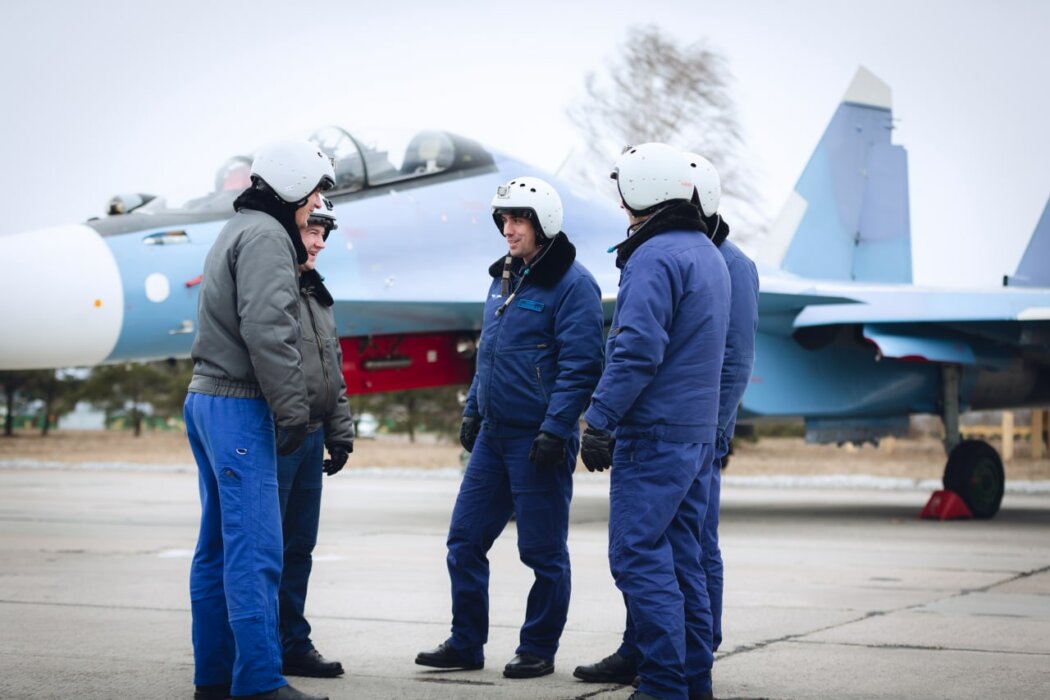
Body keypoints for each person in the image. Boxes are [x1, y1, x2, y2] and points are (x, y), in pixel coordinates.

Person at [574, 152, 759, 698]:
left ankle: (660, 685)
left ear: (641, 190)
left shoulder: (654, 256)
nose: (620, 202)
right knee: (685, 563)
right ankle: (693, 682)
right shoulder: (708, 253)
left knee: (636, 554)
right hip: (692, 436)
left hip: (653, 434)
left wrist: (600, 420)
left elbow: (635, 350)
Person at [415, 176, 604, 679]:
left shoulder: (573, 284)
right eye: (503, 220)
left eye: (517, 219)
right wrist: (474, 411)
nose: (508, 229)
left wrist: (556, 428)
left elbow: (582, 365)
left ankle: (538, 648)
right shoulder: (503, 278)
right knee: (464, 540)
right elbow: (489, 355)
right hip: (495, 437)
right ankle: (465, 642)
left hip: (539, 440)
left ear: (543, 223)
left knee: (542, 552)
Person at [184, 139, 334, 700]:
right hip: (239, 403)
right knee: (256, 550)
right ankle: (259, 683)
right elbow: (269, 332)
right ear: (293, 184)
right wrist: (293, 413)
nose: (317, 200)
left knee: (218, 549)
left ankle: (215, 679)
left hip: (205, 399)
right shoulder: (270, 236)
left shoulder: (238, 228)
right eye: (316, 189)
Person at [276, 197, 355, 680]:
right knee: (270, 548)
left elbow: (332, 371)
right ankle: (264, 644)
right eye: (313, 231)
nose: (320, 242)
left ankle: (293, 643)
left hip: (310, 441)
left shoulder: (316, 293)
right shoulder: (275, 286)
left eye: (325, 233)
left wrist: (340, 433)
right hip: (280, 437)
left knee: (299, 548)